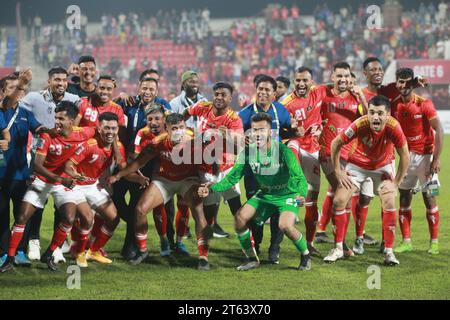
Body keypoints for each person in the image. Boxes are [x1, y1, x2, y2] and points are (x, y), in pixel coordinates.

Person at [198, 112, 311, 271]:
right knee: (240, 218)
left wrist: (301, 194)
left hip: (287, 195)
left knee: (285, 225)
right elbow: (233, 177)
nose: (257, 134)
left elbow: (298, 176)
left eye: (262, 130)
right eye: (254, 130)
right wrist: (212, 187)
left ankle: (305, 255)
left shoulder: (283, 151)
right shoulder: (247, 153)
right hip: (264, 195)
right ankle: (252, 258)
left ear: (270, 132)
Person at [0, 101, 95, 273]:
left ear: (72, 120)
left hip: (62, 182)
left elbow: (99, 132)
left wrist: (75, 173)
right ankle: (10, 257)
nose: (56, 121)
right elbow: (37, 165)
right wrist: (61, 178)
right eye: (55, 117)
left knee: (68, 218)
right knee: (22, 216)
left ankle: (49, 253)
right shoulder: (48, 135)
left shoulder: (83, 134)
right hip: (43, 180)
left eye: (61, 118)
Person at [108, 113, 211, 271]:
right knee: (140, 210)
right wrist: (119, 175)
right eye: (174, 128)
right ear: (167, 130)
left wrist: (206, 184)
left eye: (181, 127)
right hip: (164, 180)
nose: (179, 131)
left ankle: (203, 257)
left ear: (185, 127)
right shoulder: (158, 143)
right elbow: (139, 162)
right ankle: (143, 251)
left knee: (198, 210)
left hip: (187, 180)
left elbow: (212, 162)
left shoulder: (195, 141)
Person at [327, 95, 410, 265]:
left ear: (388, 114)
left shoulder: (394, 127)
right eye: (372, 112)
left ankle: (388, 252)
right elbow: (335, 143)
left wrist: (396, 183)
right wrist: (338, 170)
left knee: (389, 201)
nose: (375, 117)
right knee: (339, 200)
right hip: (357, 165)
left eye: (380, 113)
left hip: (382, 166)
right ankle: (338, 249)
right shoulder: (360, 123)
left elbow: (405, 155)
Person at [64, 112, 148, 266]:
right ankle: (79, 251)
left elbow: (123, 170)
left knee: (113, 217)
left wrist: (139, 178)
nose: (110, 131)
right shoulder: (89, 144)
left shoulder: (119, 146)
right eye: (106, 128)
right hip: (77, 186)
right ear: (99, 128)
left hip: (94, 185)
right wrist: (73, 174)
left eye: (114, 128)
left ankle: (94, 250)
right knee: (85, 218)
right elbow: (69, 164)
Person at [21, 66, 80, 262]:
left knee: (60, 205)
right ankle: (34, 240)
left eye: (63, 80)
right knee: (37, 202)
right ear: (49, 81)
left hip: (63, 160)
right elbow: (15, 109)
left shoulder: (74, 100)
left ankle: (57, 246)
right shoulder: (33, 98)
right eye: (56, 79)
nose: (60, 83)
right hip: (39, 158)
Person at [314, 62, 369, 256]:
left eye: (346, 76)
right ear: (332, 77)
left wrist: (361, 95)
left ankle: (342, 245)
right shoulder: (322, 92)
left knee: (343, 200)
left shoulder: (357, 97)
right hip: (328, 155)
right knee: (341, 197)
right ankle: (341, 245)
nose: (343, 79)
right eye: (339, 76)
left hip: (351, 155)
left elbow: (372, 119)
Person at [238, 74, 293, 264]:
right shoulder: (244, 114)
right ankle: (257, 243)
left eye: (267, 89)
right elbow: (235, 138)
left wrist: (296, 132)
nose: (262, 92)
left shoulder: (282, 111)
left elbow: (289, 130)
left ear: (274, 92)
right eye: (259, 89)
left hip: (278, 172)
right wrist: (239, 139)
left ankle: (274, 248)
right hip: (254, 171)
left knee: (278, 208)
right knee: (256, 209)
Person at [390, 68, 444, 255]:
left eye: (407, 81)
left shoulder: (424, 104)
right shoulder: (395, 106)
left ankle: (434, 243)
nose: (403, 85)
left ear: (412, 83)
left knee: (430, 197)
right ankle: (406, 241)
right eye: (400, 82)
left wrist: (436, 159)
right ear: (396, 83)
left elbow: (440, 130)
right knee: (404, 197)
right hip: (407, 158)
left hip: (427, 158)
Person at [183, 82, 243, 238]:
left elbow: (238, 148)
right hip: (206, 168)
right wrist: (182, 128)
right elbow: (186, 112)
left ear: (230, 98)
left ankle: (247, 239)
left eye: (223, 95)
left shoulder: (234, 119)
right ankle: (208, 234)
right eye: (217, 94)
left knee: (236, 207)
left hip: (227, 168)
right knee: (209, 207)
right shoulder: (203, 107)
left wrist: (228, 135)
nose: (219, 97)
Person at [0, 70, 45, 267]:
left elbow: (38, 129)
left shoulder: (26, 112)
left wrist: (55, 130)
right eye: (12, 88)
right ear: (2, 92)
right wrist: (21, 83)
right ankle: (2, 252)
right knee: (2, 214)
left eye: (20, 89)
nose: (17, 92)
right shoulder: (2, 108)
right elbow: (9, 102)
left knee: (23, 213)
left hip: (21, 173)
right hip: (2, 173)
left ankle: (19, 250)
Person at [133, 104, 190, 256]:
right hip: (160, 177)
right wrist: (139, 175)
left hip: (183, 175)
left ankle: (179, 242)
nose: (154, 122)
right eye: (150, 119)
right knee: (158, 208)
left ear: (164, 121)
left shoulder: (177, 130)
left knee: (183, 207)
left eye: (157, 118)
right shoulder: (142, 133)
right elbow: (135, 157)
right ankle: (164, 242)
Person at [282, 67, 325, 256]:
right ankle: (295, 186)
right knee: (292, 144)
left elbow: (335, 87)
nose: (301, 84)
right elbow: (280, 131)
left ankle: (309, 242)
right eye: (297, 80)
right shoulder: (287, 103)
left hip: (314, 151)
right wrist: (291, 131)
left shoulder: (318, 92)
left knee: (312, 201)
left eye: (304, 80)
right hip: (297, 147)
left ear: (311, 81)